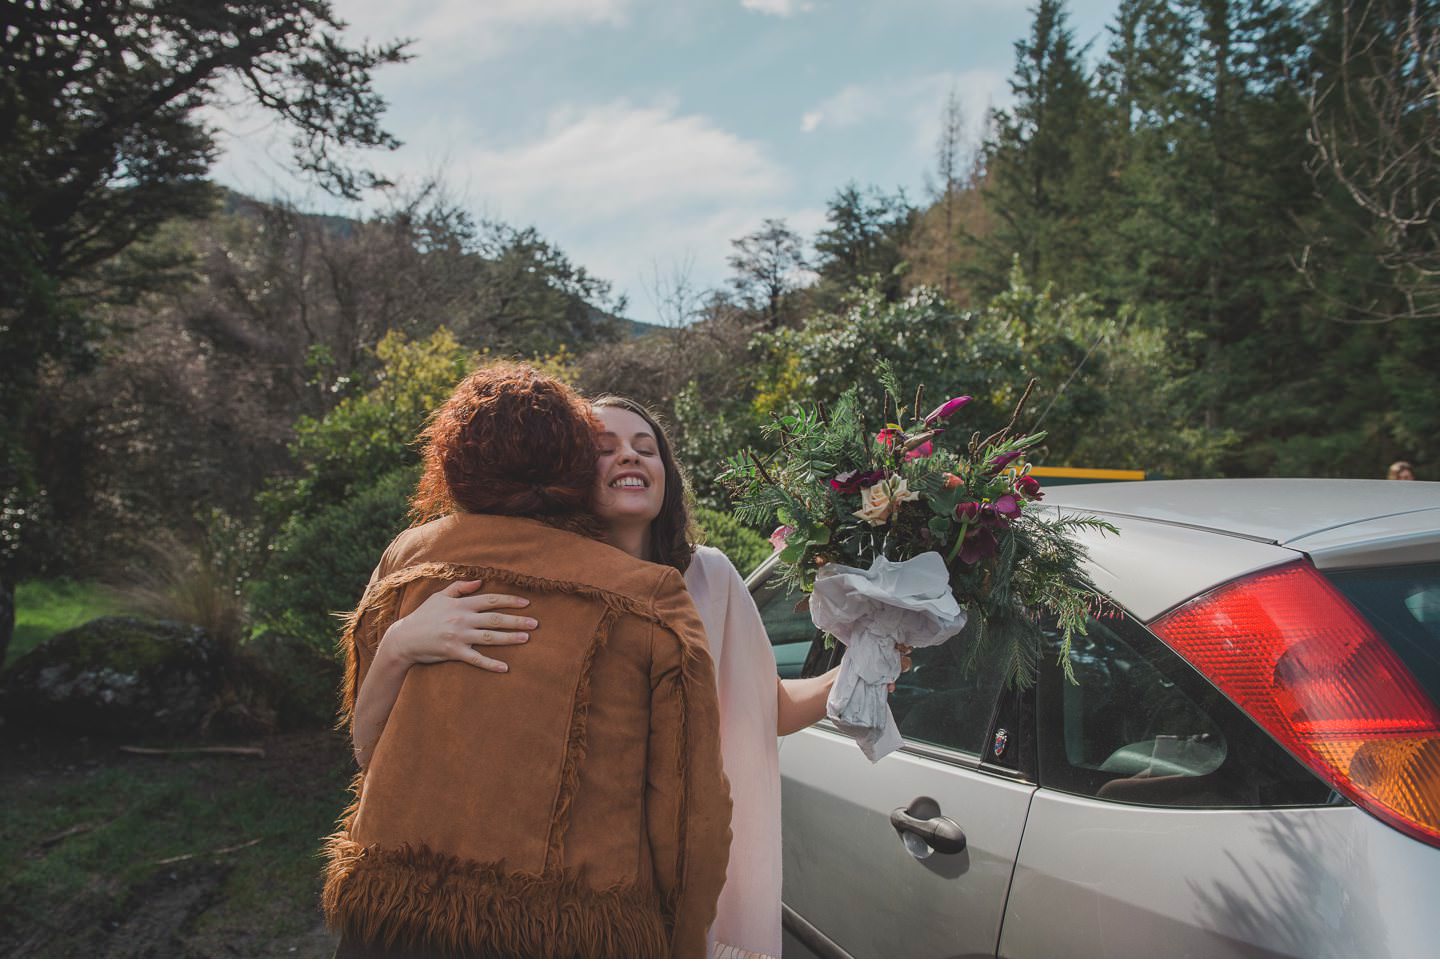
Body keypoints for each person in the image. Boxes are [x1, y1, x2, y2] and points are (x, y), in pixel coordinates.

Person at [370, 395, 898, 958]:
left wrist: (869, 661)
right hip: (575, 888)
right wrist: (400, 642)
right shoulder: (537, 583)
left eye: (646, 449)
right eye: (605, 449)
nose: (630, 457)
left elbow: (768, 707)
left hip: (690, 854)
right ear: (570, 476)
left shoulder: (710, 577)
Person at [323, 365, 731, 958]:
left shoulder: (409, 558)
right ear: (572, 465)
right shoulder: (652, 597)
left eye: (644, 448)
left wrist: (398, 645)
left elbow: (366, 750)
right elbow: (690, 810)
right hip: (570, 932)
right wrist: (683, 940)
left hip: (392, 920)